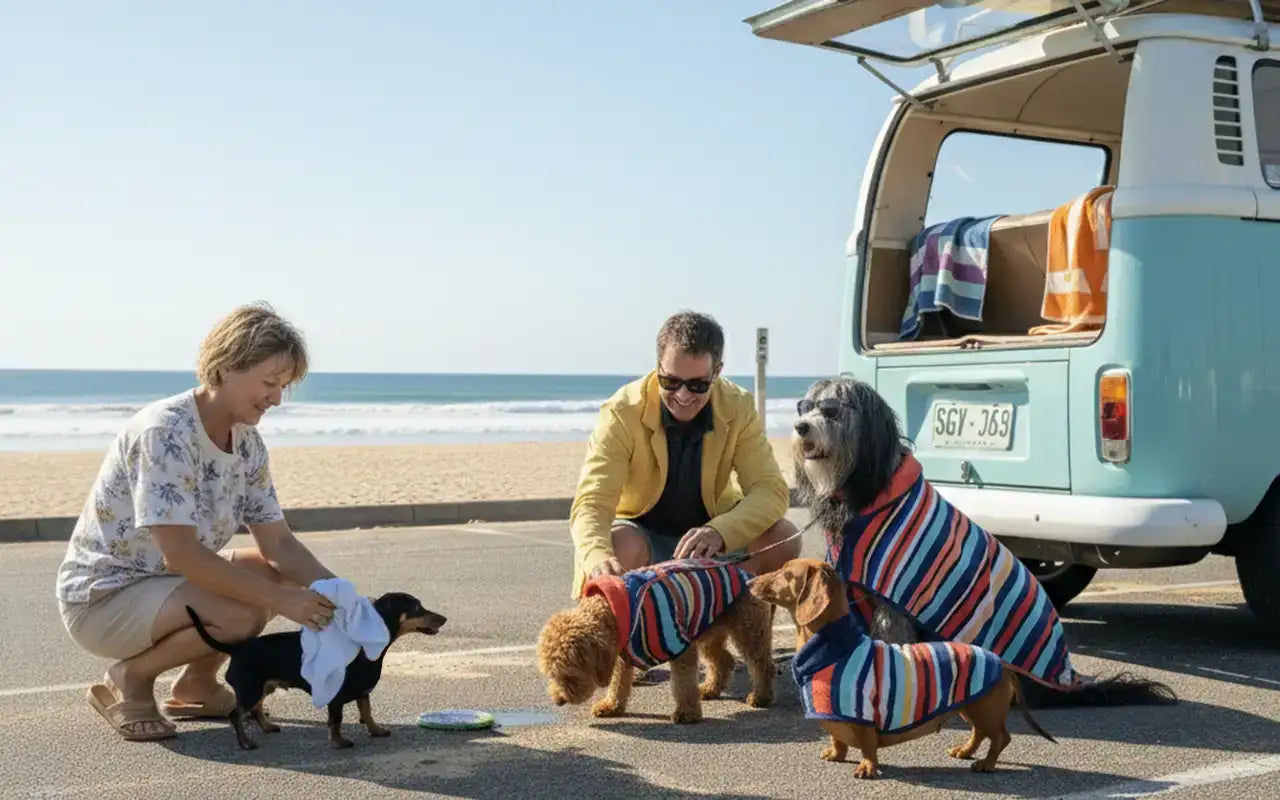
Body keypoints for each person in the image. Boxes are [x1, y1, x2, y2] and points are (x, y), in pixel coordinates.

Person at [55, 302, 339, 742]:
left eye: (283, 386)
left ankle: (196, 686)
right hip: (105, 597)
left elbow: (278, 545)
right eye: (268, 383)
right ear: (225, 368)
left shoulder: (247, 441)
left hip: (161, 584)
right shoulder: (165, 433)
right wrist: (286, 604)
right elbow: (183, 555)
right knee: (242, 611)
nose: (277, 398)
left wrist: (342, 598)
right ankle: (130, 677)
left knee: (269, 575)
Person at [568, 310, 801, 601]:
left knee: (784, 537)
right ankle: (629, 632)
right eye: (670, 382)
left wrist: (721, 531)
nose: (682, 395)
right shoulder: (622, 411)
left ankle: (733, 615)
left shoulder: (738, 406)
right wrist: (597, 556)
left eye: (698, 385)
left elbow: (770, 489)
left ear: (717, 371)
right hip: (643, 538)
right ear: (657, 367)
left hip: (712, 544)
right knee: (619, 549)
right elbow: (592, 501)